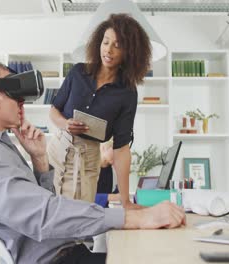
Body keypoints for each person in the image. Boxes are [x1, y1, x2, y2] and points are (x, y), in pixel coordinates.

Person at [0, 58, 186, 264]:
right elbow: (45, 217)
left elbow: (43, 204)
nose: (22, 103)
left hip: (65, 253)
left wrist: (39, 160)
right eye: (14, 94)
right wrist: (134, 217)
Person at [49, 14, 152, 209]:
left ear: (129, 52)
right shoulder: (78, 72)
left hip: (88, 158)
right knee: (49, 210)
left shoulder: (127, 93)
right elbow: (54, 110)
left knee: (79, 218)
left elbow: (121, 148)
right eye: (106, 42)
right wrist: (66, 124)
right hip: (58, 149)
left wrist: (125, 200)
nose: (109, 50)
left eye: (117, 45)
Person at [95, 140, 120, 207]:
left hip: (105, 211)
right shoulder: (91, 169)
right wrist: (108, 197)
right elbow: (84, 198)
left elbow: (116, 194)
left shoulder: (111, 170)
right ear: (103, 148)